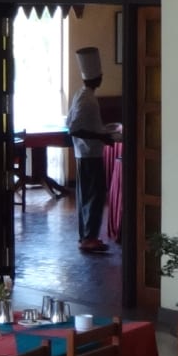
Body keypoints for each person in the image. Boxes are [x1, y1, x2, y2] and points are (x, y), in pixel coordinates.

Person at [66, 47, 112, 254]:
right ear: (97, 78)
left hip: (83, 153)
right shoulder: (88, 100)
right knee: (94, 196)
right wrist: (101, 136)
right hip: (90, 154)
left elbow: (70, 123)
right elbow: (75, 129)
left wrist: (100, 133)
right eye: (100, 75)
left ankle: (86, 236)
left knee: (86, 196)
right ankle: (90, 238)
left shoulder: (80, 94)